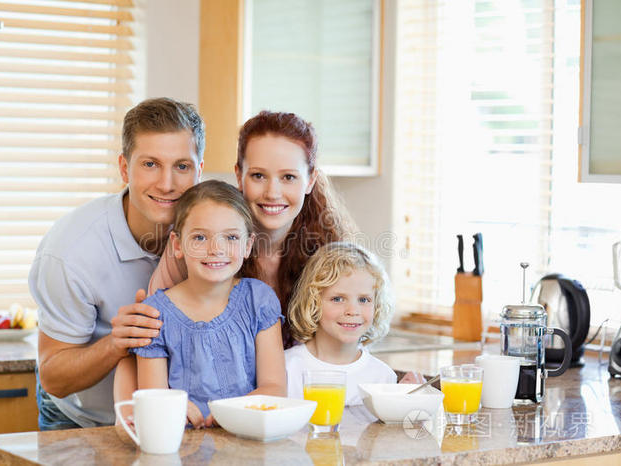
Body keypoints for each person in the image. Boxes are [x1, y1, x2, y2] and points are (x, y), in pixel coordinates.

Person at [113, 110, 356, 404]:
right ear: (239, 175)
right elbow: (149, 345)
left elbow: (349, 343)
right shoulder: (192, 251)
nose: (272, 192)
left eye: (289, 177)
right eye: (258, 176)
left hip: (293, 411)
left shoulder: (330, 257)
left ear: (309, 180)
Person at [29, 98, 204, 429]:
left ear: (199, 170)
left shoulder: (213, 237)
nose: (167, 184)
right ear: (124, 168)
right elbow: (53, 377)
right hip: (83, 418)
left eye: (181, 166)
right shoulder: (71, 252)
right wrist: (116, 343)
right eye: (150, 164)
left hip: (175, 421)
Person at [131, 180, 286, 428]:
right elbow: (153, 399)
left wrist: (230, 413)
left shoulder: (258, 300)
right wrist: (173, 409)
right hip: (183, 444)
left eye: (231, 237)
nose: (216, 249)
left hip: (246, 438)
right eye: (200, 237)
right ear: (178, 245)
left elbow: (275, 387)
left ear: (247, 245)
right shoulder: (155, 314)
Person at [285, 242, 420, 406]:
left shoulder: (383, 377)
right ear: (313, 303)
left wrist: (405, 404)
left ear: (377, 306)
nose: (352, 311)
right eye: (338, 299)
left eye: (364, 300)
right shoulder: (286, 368)